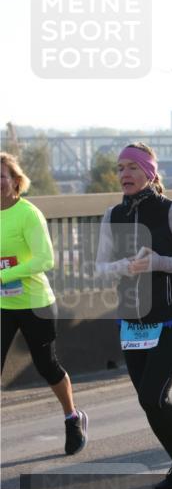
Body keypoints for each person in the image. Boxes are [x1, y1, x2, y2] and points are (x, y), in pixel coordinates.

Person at [96, 143, 172, 489]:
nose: (125, 174)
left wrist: (158, 262)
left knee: (154, 396)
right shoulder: (112, 216)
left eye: (132, 167)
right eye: (120, 168)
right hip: (132, 322)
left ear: (149, 172)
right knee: (148, 402)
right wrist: (125, 265)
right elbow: (100, 269)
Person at [1, 152, 88, 455]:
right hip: (3, 306)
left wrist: (4, 275)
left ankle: (72, 417)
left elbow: (45, 259)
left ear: (16, 181)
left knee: (46, 366)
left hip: (34, 303)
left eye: (1, 177)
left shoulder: (28, 213)